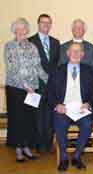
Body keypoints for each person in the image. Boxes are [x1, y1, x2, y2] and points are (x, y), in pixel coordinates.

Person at [47, 42, 93, 171]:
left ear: (83, 54)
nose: (75, 54)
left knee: (88, 123)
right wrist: (57, 105)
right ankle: (63, 157)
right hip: (64, 108)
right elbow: (49, 92)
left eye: (78, 51)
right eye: (73, 51)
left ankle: (76, 156)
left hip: (81, 108)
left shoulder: (89, 71)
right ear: (67, 53)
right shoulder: (57, 71)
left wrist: (89, 103)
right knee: (59, 122)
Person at [4, 18, 48, 162]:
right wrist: (25, 85)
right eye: (19, 29)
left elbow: (38, 66)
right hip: (16, 89)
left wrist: (49, 81)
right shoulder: (10, 46)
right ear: (15, 31)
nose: (22, 31)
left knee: (29, 119)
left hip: (32, 89)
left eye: (24, 29)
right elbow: (12, 69)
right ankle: (18, 150)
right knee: (18, 120)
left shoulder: (32, 46)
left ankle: (27, 148)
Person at [28, 13, 60, 152]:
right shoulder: (29, 42)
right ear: (38, 24)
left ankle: (47, 145)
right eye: (43, 22)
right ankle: (36, 145)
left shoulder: (55, 42)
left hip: (51, 86)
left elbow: (56, 64)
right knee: (36, 117)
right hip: (35, 86)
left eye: (48, 23)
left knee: (49, 116)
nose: (46, 25)